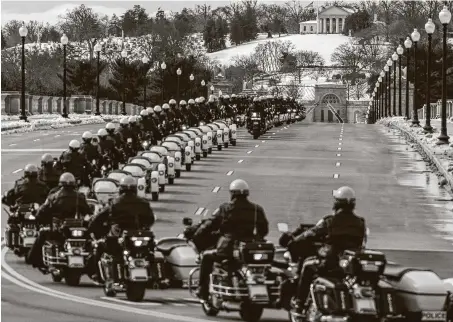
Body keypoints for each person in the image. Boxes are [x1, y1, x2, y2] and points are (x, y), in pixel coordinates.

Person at [279, 186, 366, 311]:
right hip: (350, 265)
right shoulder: (360, 223)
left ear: (336, 202)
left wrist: (293, 240)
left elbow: (308, 234)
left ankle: (300, 302)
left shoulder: (329, 221)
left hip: (331, 263)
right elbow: (362, 242)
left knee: (307, 266)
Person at [197, 179, 269, 301]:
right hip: (249, 249)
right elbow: (264, 230)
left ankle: (202, 291)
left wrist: (199, 234)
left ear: (232, 194)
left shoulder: (226, 208)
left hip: (228, 248)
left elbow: (211, 224)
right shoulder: (257, 209)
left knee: (206, 257)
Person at [86, 176, 156, 280]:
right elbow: (150, 219)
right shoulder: (144, 203)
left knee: (99, 247)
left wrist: (91, 228)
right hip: (139, 236)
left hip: (119, 237)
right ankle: (155, 276)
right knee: (151, 252)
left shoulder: (115, 202)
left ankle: (97, 275)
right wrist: (143, 227)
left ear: (121, 189)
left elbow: (99, 218)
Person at [27, 173, 93, 270]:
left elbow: (43, 211)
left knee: (42, 234)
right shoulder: (80, 197)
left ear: (60, 184)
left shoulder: (54, 197)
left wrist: (38, 217)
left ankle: (35, 260)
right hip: (77, 229)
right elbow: (88, 212)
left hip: (59, 229)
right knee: (92, 242)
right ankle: (93, 267)